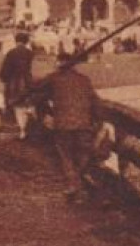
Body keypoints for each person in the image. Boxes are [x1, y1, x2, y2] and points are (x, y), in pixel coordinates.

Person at [27, 52, 104, 200]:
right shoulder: (84, 80)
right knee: (83, 153)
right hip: (83, 123)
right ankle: (81, 178)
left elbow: (36, 89)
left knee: (66, 155)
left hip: (63, 124)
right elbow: (95, 101)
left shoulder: (54, 78)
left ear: (59, 63)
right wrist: (98, 122)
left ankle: (73, 184)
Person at [0, 31, 36, 139]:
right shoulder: (31, 53)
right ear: (26, 41)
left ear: (16, 41)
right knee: (29, 103)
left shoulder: (11, 53)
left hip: (15, 82)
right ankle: (30, 125)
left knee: (18, 106)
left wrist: (4, 78)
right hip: (29, 81)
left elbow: (5, 70)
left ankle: (22, 130)